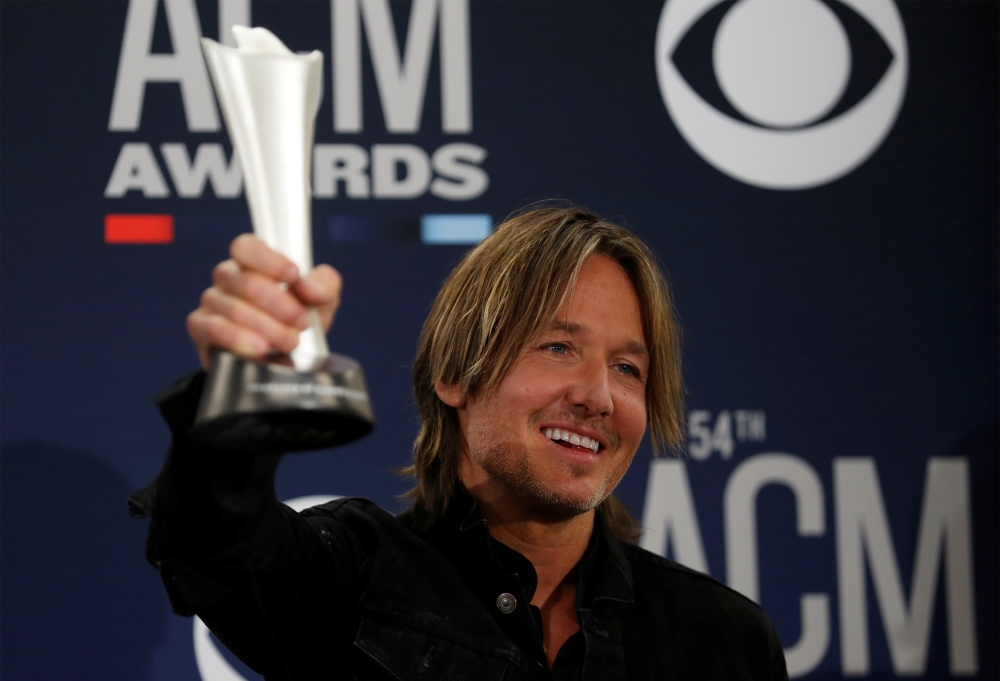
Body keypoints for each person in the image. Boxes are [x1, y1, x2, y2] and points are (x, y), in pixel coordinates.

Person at [132, 205, 788, 680]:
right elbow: (217, 548)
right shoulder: (352, 578)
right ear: (455, 373)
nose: (598, 395)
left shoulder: (724, 640)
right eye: (560, 347)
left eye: (628, 368)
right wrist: (241, 391)